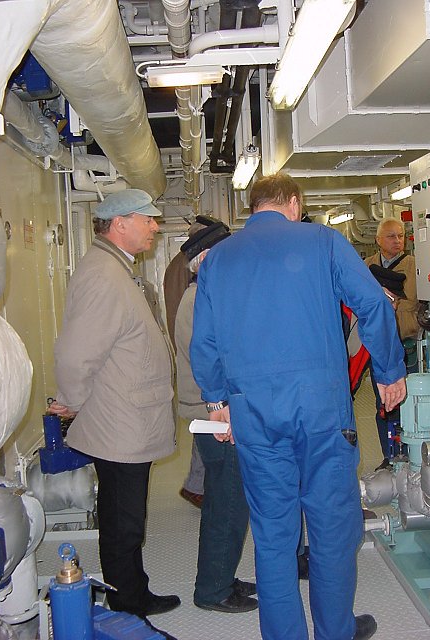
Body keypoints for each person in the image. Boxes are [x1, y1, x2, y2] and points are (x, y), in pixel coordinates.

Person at [189, 173, 407, 640]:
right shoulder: (324, 242)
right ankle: (335, 631)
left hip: (254, 414)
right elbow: (373, 304)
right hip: (321, 412)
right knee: (332, 532)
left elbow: (204, 340)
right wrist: (390, 371)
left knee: (273, 537)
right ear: (294, 203)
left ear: (253, 207)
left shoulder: (218, 258)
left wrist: (216, 400)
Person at [49, 189, 180, 640]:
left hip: (129, 418)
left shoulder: (116, 268)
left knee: (129, 516)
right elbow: (75, 354)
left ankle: (135, 592)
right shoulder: (104, 276)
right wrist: (73, 400)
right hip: (119, 422)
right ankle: (126, 607)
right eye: (148, 219)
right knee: (123, 522)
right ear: (120, 223)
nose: (155, 226)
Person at [175, 221, 258, 613]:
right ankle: (213, 590)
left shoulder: (203, 295)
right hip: (216, 416)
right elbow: (213, 362)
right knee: (227, 503)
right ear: (207, 258)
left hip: (216, 412)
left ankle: (221, 576)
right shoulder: (198, 300)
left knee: (225, 500)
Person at [164, 215, 219, 508]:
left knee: (205, 435)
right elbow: (202, 344)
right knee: (208, 432)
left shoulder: (180, 269)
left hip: (194, 368)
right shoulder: (194, 292)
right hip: (200, 377)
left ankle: (196, 485)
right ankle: (198, 488)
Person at [365, 217, 419, 470]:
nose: (397, 241)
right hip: (379, 350)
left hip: (408, 345)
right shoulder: (366, 267)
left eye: (400, 236)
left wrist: (398, 305)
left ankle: (413, 455)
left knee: (409, 403)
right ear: (378, 240)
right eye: (391, 236)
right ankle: (389, 457)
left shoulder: (414, 266)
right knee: (384, 405)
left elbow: (422, 304)